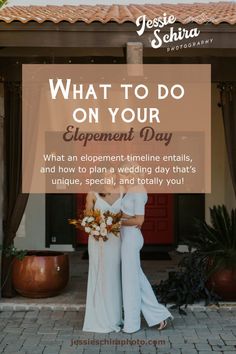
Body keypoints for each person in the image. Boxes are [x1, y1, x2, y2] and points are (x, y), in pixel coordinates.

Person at [120, 182, 173, 333]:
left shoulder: (138, 190)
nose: (125, 176)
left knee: (131, 282)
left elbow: (139, 220)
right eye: (123, 173)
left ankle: (132, 324)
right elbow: (127, 214)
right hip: (127, 237)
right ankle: (158, 315)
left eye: (129, 172)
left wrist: (117, 221)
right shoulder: (129, 190)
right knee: (137, 279)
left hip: (131, 239)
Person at [82, 178, 123, 333]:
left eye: (113, 172)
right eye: (106, 173)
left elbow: (127, 214)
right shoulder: (92, 194)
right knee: (100, 276)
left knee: (113, 276)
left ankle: (114, 317)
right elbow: (87, 219)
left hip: (116, 241)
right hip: (97, 241)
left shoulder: (121, 191)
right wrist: (96, 230)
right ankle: (98, 317)